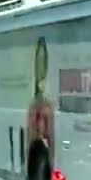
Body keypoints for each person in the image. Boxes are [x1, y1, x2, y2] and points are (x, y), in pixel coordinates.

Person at [25, 37, 55, 165]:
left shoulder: (47, 107)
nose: (41, 68)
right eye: (39, 62)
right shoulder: (34, 107)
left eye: (44, 62)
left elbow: (51, 139)